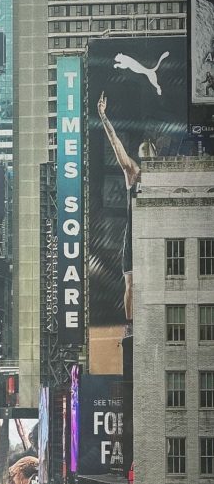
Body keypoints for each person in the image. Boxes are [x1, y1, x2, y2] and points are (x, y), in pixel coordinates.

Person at [98, 91, 156, 329]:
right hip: (133, 237)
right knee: (131, 284)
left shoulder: (164, 176)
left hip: (154, 239)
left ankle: (155, 323)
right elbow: (115, 145)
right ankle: (130, 326)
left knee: (155, 284)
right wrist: (103, 116)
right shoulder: (134, 173)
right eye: (145, 154)